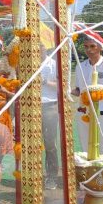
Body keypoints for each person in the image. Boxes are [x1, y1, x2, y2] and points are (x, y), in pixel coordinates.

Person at [72, 38, 103, 154]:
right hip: (84, 113)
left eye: (92, 46)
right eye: (86, 46)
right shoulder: (80, 66)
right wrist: (66, 90)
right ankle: (90, 172)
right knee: (86, 150)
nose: (89, 50)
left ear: (100, 47)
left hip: (102, 115)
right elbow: (80, 90)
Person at [40, 47, 60, 190]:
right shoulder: (29, 64)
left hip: (49, 106)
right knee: (32, 143)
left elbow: (61, 85)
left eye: (39, 48)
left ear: (44, 49)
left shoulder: (53, 64)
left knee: (50, 143)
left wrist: (44, 81)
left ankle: (52, 176)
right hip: (32, 106)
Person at [0, 59, 14, 133]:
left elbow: (14, 96)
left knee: (2, 133)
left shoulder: (6, 81)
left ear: (2, 69)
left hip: (1, 110)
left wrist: (5, 91)